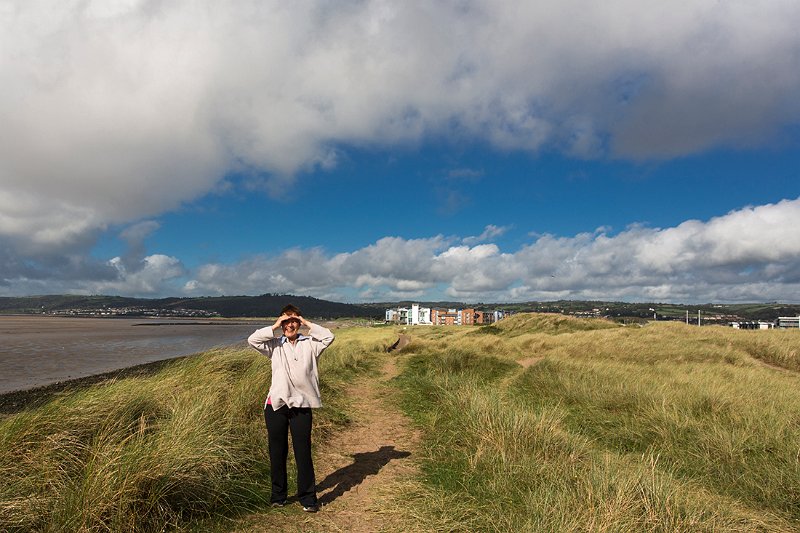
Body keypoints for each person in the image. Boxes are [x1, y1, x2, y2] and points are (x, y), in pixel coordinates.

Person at [247, 304, 335, 513]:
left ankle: (308, 498)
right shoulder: (275, 345)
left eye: (294, 321)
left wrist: (305, 322)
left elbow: (329, 337)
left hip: (302, 405)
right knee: (277, 452)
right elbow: (253, 340)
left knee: (303, 451)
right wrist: (276, 325)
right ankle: (278, 496)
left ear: (299, 322)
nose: (290, 325)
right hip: (276, 405)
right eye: (286, 321)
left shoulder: (311, 345)